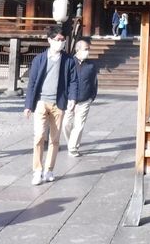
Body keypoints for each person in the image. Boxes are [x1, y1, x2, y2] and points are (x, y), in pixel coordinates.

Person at [24, 25, 79, 185]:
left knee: (54, 138)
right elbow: (32, 82)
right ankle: (37, 170)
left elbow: (73, 81)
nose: (61, 43)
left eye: (63, 40)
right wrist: (28, 105)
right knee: (39, 136)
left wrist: (72, 98)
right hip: (41, 101)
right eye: (57, 40)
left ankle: (49, 169)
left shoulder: (68, 60)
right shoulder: (39, 59)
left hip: (58, 102)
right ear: (49, 40)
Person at [62, 37, 98, 157]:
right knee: (66, 124)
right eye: (85, 49)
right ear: (78, 50)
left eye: (88, 49)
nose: (87, 51)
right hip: (69, 100)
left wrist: (91, 97)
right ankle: (70, 143)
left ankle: (72, 148)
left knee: (79, 125)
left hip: (85, 99)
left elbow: (94, 82)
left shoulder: (91, 65)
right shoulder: (69, 63)